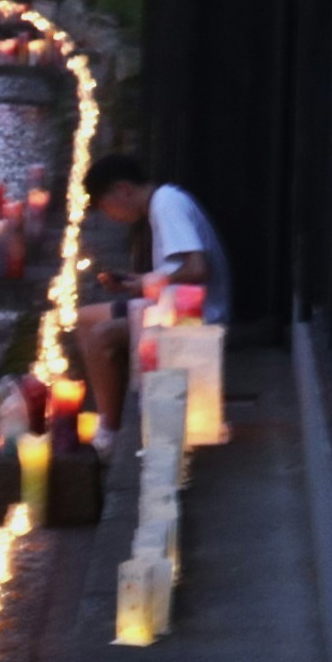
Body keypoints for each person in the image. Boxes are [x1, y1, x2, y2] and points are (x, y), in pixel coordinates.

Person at [75, 154, 232, 448]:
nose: (111, 217)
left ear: (123, 189)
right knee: (85, 318)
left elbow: (198, 269)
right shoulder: (163, 202)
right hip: (172, 304)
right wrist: (133, 281)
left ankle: (109, 436)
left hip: (195, 315)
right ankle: (108, 411)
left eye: (107, 207)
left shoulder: (166, 205)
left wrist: (151, 283)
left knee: (101, 336)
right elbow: (176, 273)